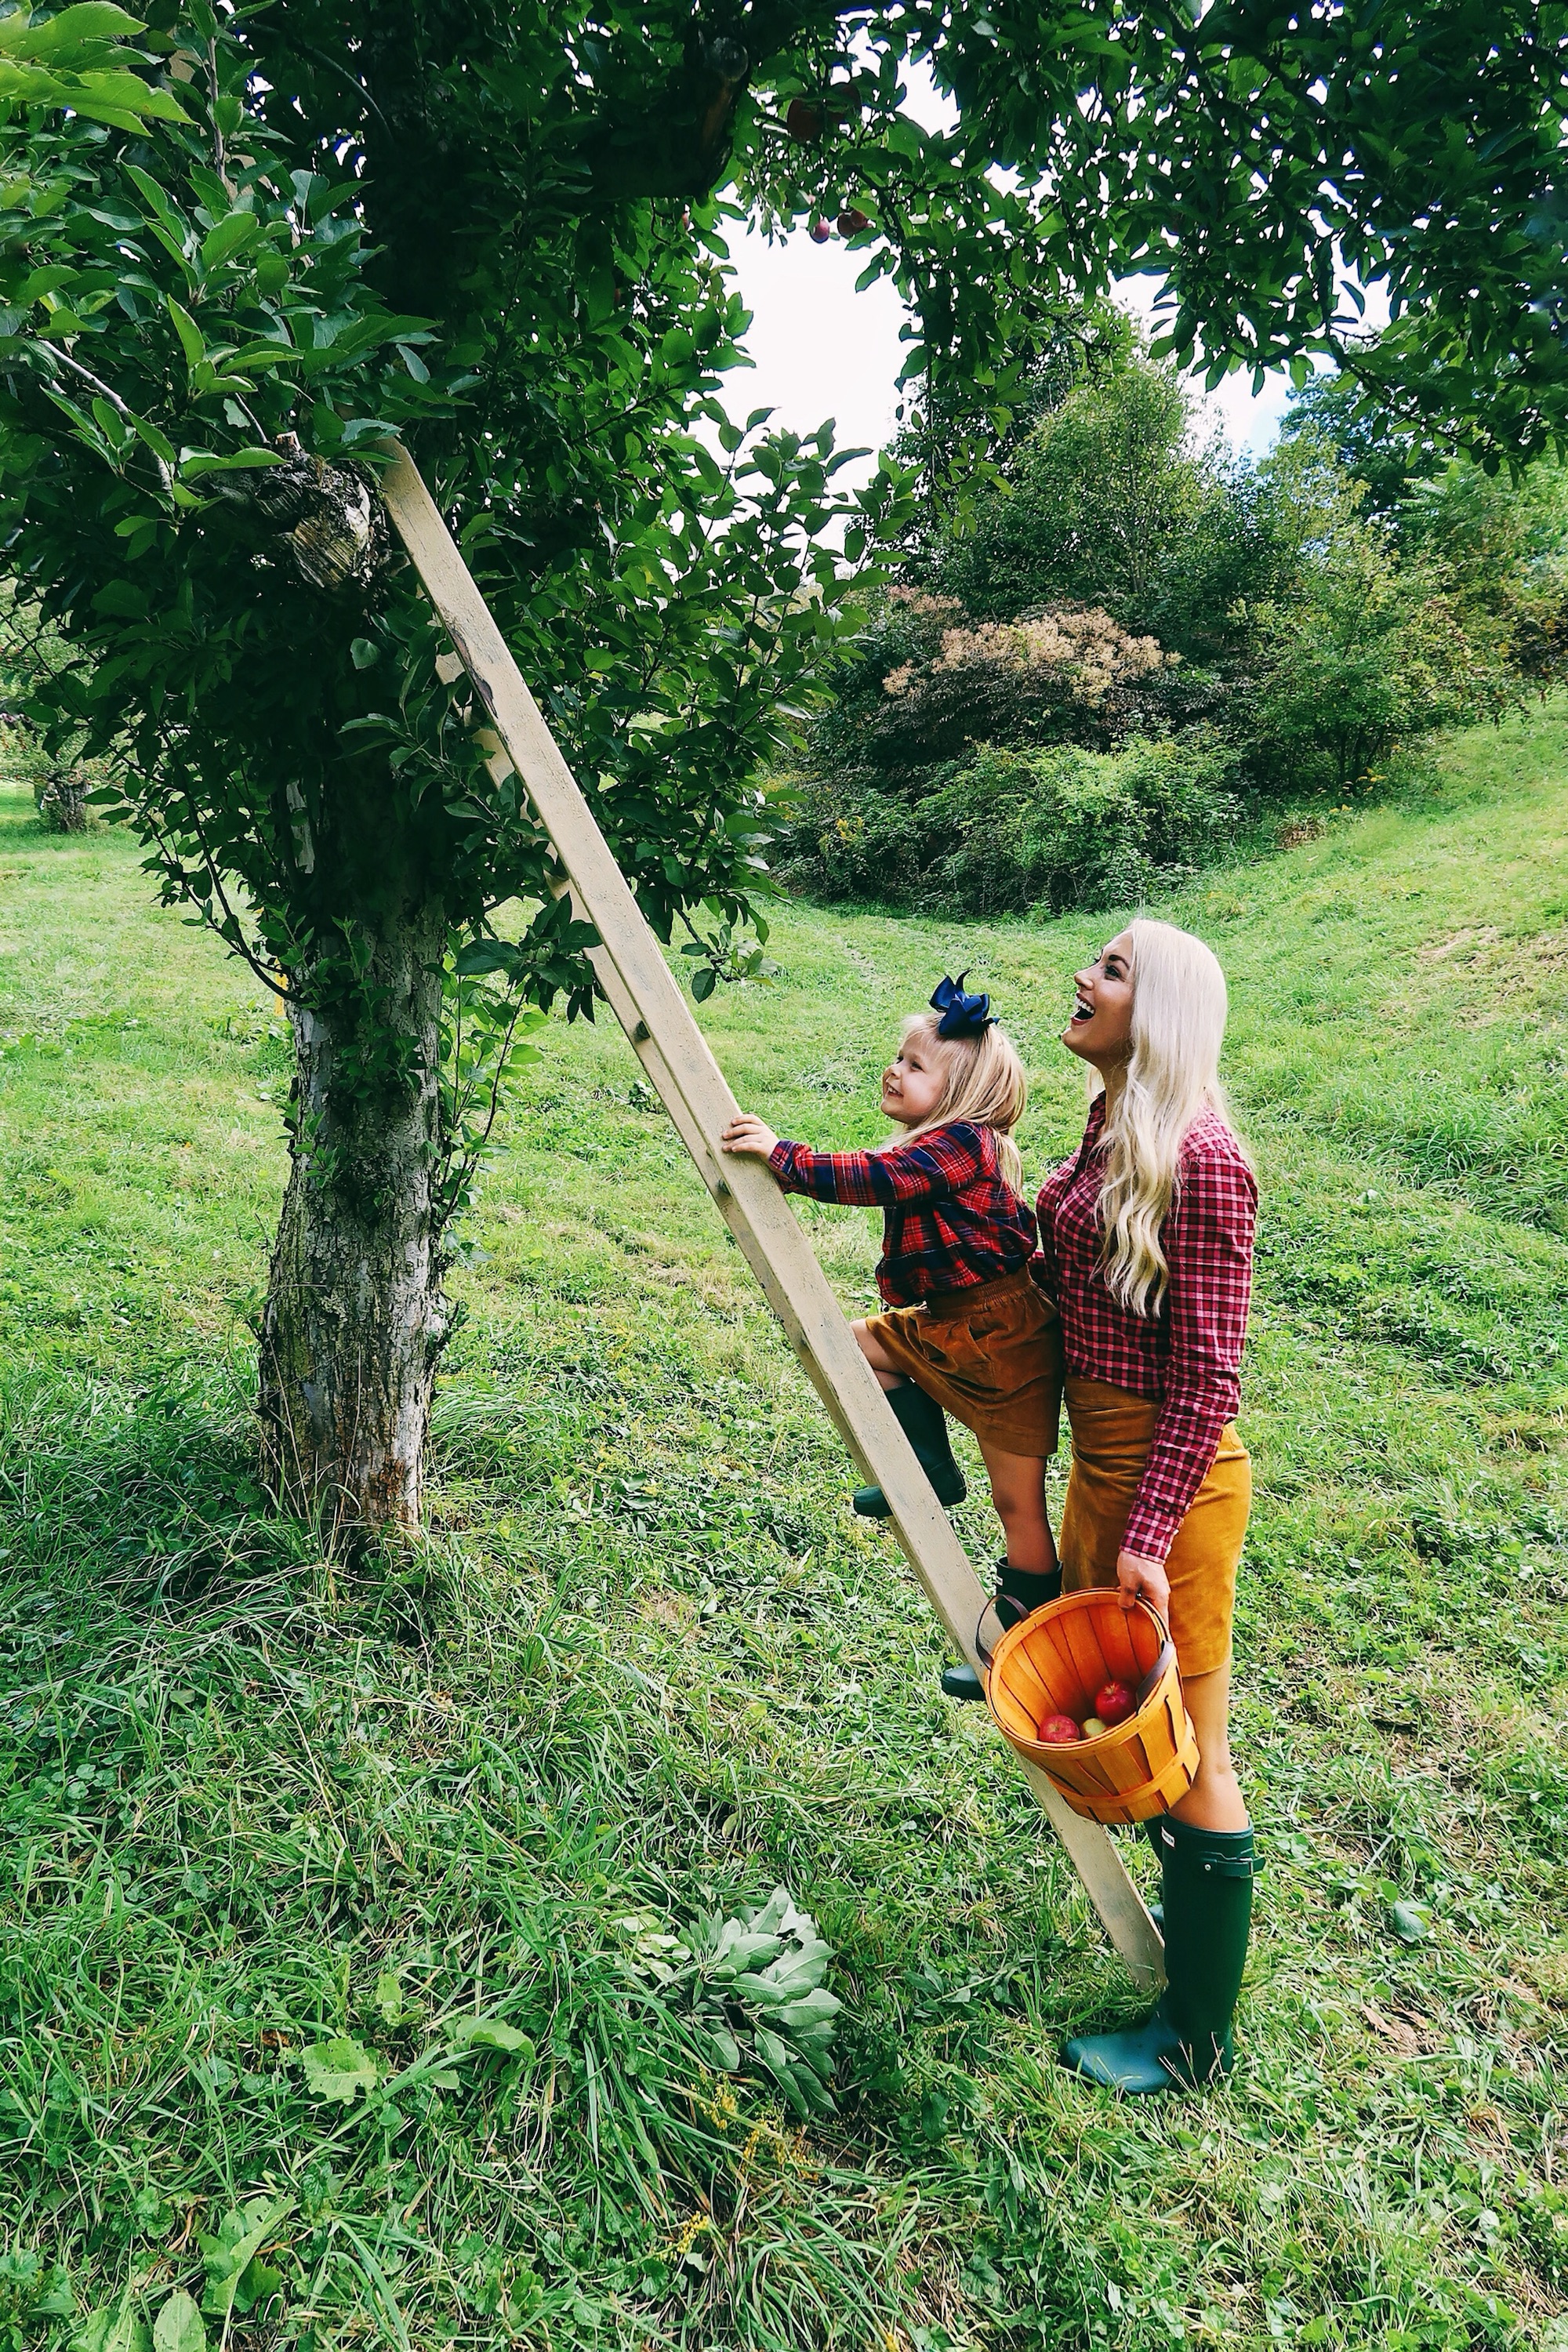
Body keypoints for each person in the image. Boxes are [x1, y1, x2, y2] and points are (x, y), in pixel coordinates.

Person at [1037, 917, 1260, 2093]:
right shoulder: (1109, 1122)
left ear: (1159, 1009)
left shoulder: (1205, 1158)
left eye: (1113, 969)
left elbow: (1209, 1376)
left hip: (1169, 1483)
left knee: (1193, 1748)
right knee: (1125, 1712)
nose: (1083, 977)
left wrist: (1149, 1533)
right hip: (1102, 1456)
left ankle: (1194, 2040)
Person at [721, 975, 1064, 1633]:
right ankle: (931, 1468)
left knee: (1017, 1503)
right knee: (856, 1340)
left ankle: (1031, 1625)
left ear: (960, 1094)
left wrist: (783, 1157)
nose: (894, 1070)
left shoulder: (963, 1143)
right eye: (898, 1057)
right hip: (949, 1323)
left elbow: (876, 1180)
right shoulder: (939, 1145)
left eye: (914, 1066)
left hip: (1004, 1337)